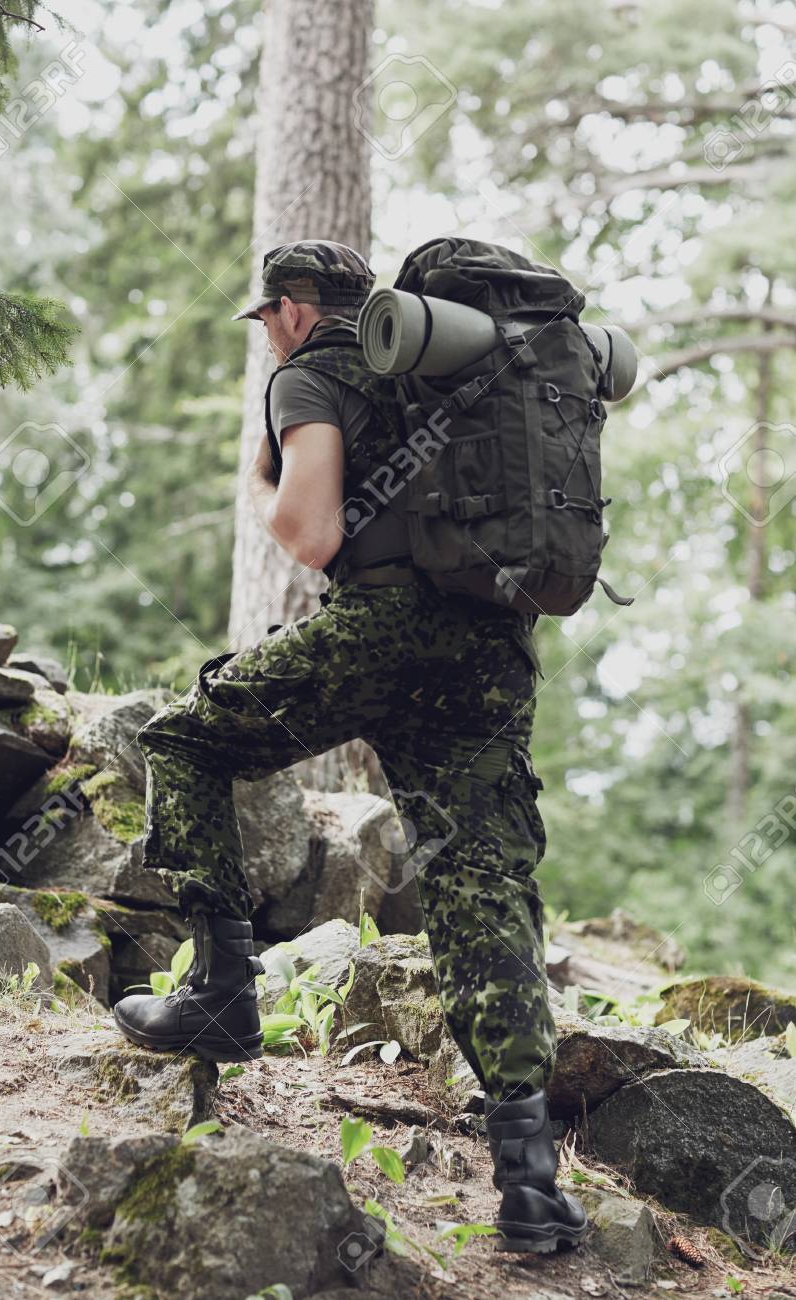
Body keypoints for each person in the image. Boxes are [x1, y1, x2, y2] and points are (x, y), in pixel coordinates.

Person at [112, 239, 588, 1254]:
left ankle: (221, 997)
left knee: (185, 741)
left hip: (380, 630)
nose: (268, 335)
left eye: (268, 318)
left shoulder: (312, 369)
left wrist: (266, 488)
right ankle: (530, 1183)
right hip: (490, 646)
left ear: (290, 308)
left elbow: (312, 529)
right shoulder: (434, 371)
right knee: (480, 875)